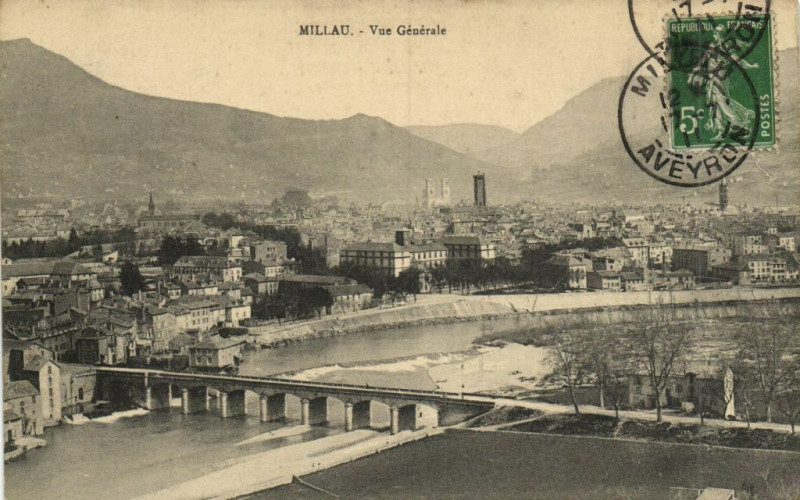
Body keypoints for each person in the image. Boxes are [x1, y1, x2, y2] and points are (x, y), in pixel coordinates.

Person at [687, 25, 758, 141]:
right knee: (715, 104)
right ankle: (721, 131)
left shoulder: (726, 47)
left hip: (721, 77)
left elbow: (737, 59)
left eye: (715, 33)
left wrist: (750, 66)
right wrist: (694, 71)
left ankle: (743, 123)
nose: (714, 35)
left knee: (722, 102)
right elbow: (703, 59)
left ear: (719, 34)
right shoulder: (712, 46)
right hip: (712, 78)